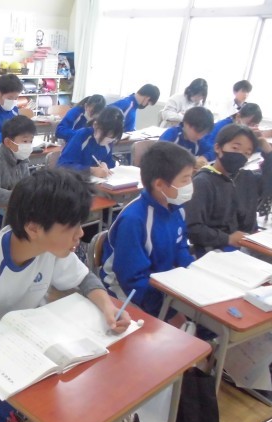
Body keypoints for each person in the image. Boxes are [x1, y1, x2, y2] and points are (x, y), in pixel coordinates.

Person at [0, 168, 131, 422]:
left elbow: (85, 279)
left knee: (84, 395)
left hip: (34, 343)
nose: (80, 235)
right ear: (33, 228)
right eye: (71, 227)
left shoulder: (50, 248)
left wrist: (109, 309)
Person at [101, 142, 195, 318]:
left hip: (161, 286)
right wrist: (166, 309)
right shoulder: (134, 220)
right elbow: (131, 279)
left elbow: (181, 247)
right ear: (159, 184)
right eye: (185, 179)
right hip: (126, 294)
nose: (190, 184)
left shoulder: (177, 209)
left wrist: (192, 275)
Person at [185, 123, 272, 256]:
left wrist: (268, 151)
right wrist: (228, 238)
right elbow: (193, 229)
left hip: (247, 245)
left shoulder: (246, 177)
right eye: (235, 148)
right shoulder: (203, 182)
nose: (240, 155)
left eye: (247, 153)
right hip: (215, 251)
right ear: (218, 148)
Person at [56, 106, 124, 177]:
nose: (108, 142)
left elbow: (110, 164)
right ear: (95, 125)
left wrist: (105, 165)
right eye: (106, 136)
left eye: (111, 139)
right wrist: (91, 170)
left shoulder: (109, 142)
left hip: (96, 181)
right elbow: (62, 166)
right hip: (73, 181)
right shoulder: (81, 136)